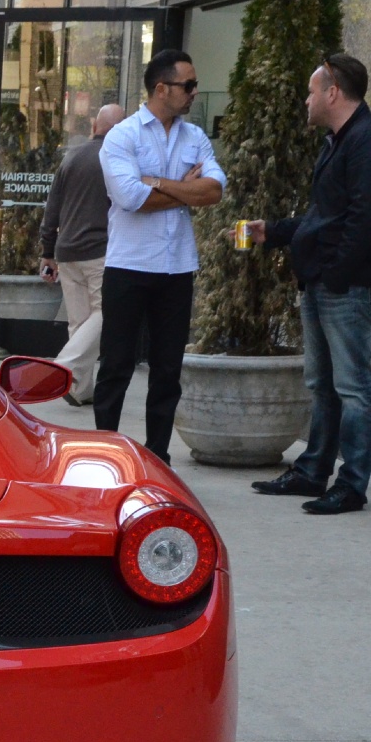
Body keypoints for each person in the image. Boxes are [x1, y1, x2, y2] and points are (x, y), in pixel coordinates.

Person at [247, 54, 371, 515]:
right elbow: (325, 218)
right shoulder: (338, 141)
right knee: (322, 383)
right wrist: (274, 231)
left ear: (333, 92)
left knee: (353, 386)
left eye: (313, 90)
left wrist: (334, 274)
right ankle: (314, 470)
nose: (307, 99)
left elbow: (364, 220)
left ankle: (351, 484)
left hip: (347, 284)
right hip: (325, 280)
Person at [92, 49, 225, 462]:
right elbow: (129, 196)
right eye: (188, 85)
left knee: (168, 370)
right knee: (116, 365)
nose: (194, 92)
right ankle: (107, 453)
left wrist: (158, 183)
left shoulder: (195, 137)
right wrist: (183, 191)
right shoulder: (123, 136)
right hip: (129, 266)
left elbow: (215, 190)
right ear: (161, 88)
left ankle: (157, 456)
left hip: (177, 268)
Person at [39, 104, 123, 405]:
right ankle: (65, 366)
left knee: (80, 320)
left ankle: (78, 389)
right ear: (120, 130)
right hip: (99, 250)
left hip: (67, 251)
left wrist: (47, 251)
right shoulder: (118, 158)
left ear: (95, 126)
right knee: (106, 312)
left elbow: (53, 207)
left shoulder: (72, 156)